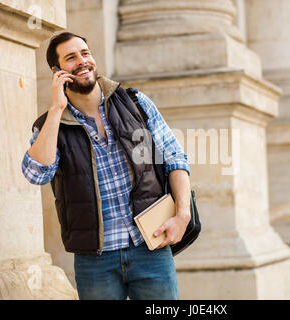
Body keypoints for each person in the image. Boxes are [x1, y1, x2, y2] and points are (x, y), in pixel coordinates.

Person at [21, 32, 191, 300]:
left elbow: (175, 158)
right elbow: (36, 173)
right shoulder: (50, 126)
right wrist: (56, 109)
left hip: (150, 249)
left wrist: (182, 214)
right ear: (57, 72)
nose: (82, 61)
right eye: (71, 58)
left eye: (85, 53)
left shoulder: (135, 103)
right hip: (95, 262)